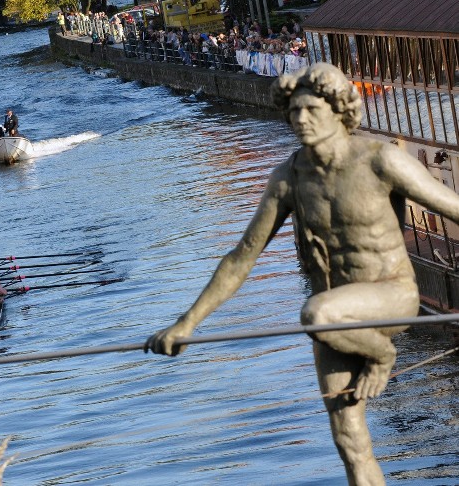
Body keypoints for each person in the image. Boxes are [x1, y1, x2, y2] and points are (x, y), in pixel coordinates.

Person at [145, 63, 459, 484]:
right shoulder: (289, 177)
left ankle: (382, 355)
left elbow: (452, 207)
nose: (300, 120)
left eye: (310, 109)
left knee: (315, 314)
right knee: (349, 441)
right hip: (333, 317)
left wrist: (378, 348)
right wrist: (186, 323)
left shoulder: (380, 160)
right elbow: (242, 257)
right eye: (293, 112)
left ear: (339, 108)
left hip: (388, 296)